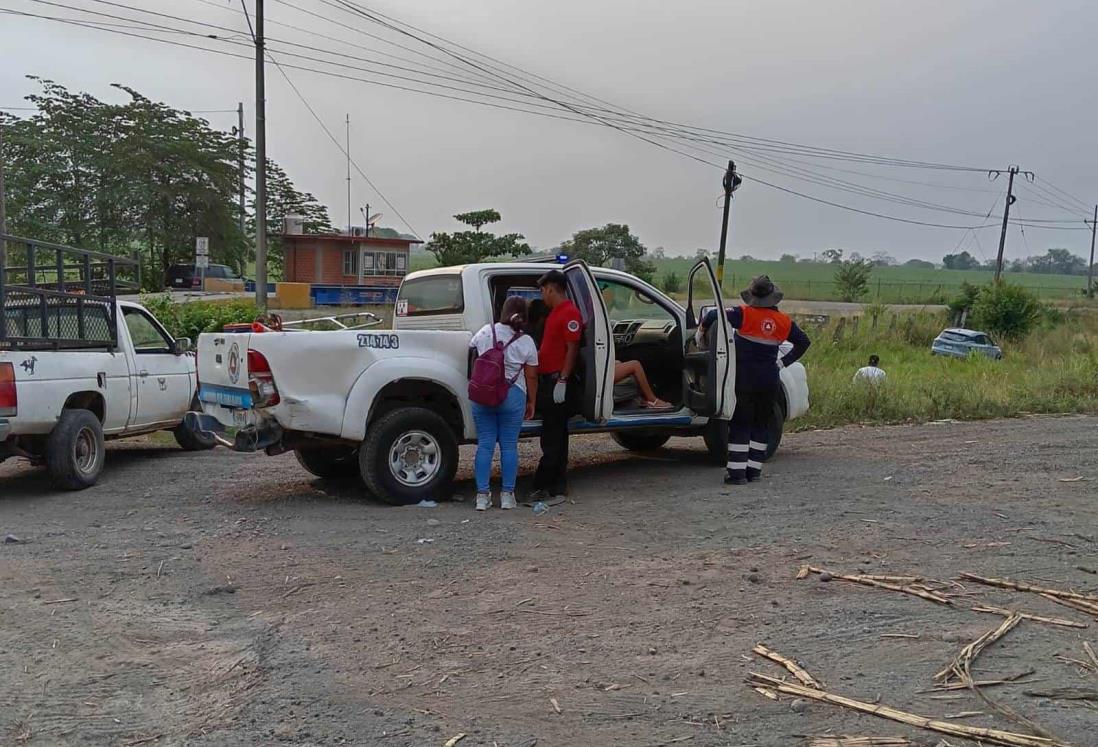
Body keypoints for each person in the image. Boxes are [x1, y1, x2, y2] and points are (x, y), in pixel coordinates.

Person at [698, 275, 810, 485]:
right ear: (772, 297)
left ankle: (737, 474)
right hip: (769, 378)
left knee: (740, 424)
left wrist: (701, 330)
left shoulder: (743, 314)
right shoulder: (784, 321)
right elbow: (804, 342)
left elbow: (713, 315)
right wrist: (783, 362)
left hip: (745, 378)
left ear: (752, 296)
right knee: (761, 424)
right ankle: (754, 471)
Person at [468, 296, 539, 511]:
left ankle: (482, 496)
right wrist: (532, 402)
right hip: (513, 395)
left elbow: (471, 353)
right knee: (509, 446)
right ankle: (507, 496)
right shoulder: (526, 341)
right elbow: (532, 376)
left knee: (485, 444)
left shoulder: (485, 331)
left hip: (483, 395)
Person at [528, 270, 583, 505]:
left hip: (556, 382)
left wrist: (562, 379)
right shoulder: (554, 314)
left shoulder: (569, 313)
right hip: (549, 380)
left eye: (543, 290)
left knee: (552, 438)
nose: (542, 295)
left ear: (551, 288)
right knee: (558, 437)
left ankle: (542, 484)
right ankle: (557, 486)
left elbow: (572, 349)